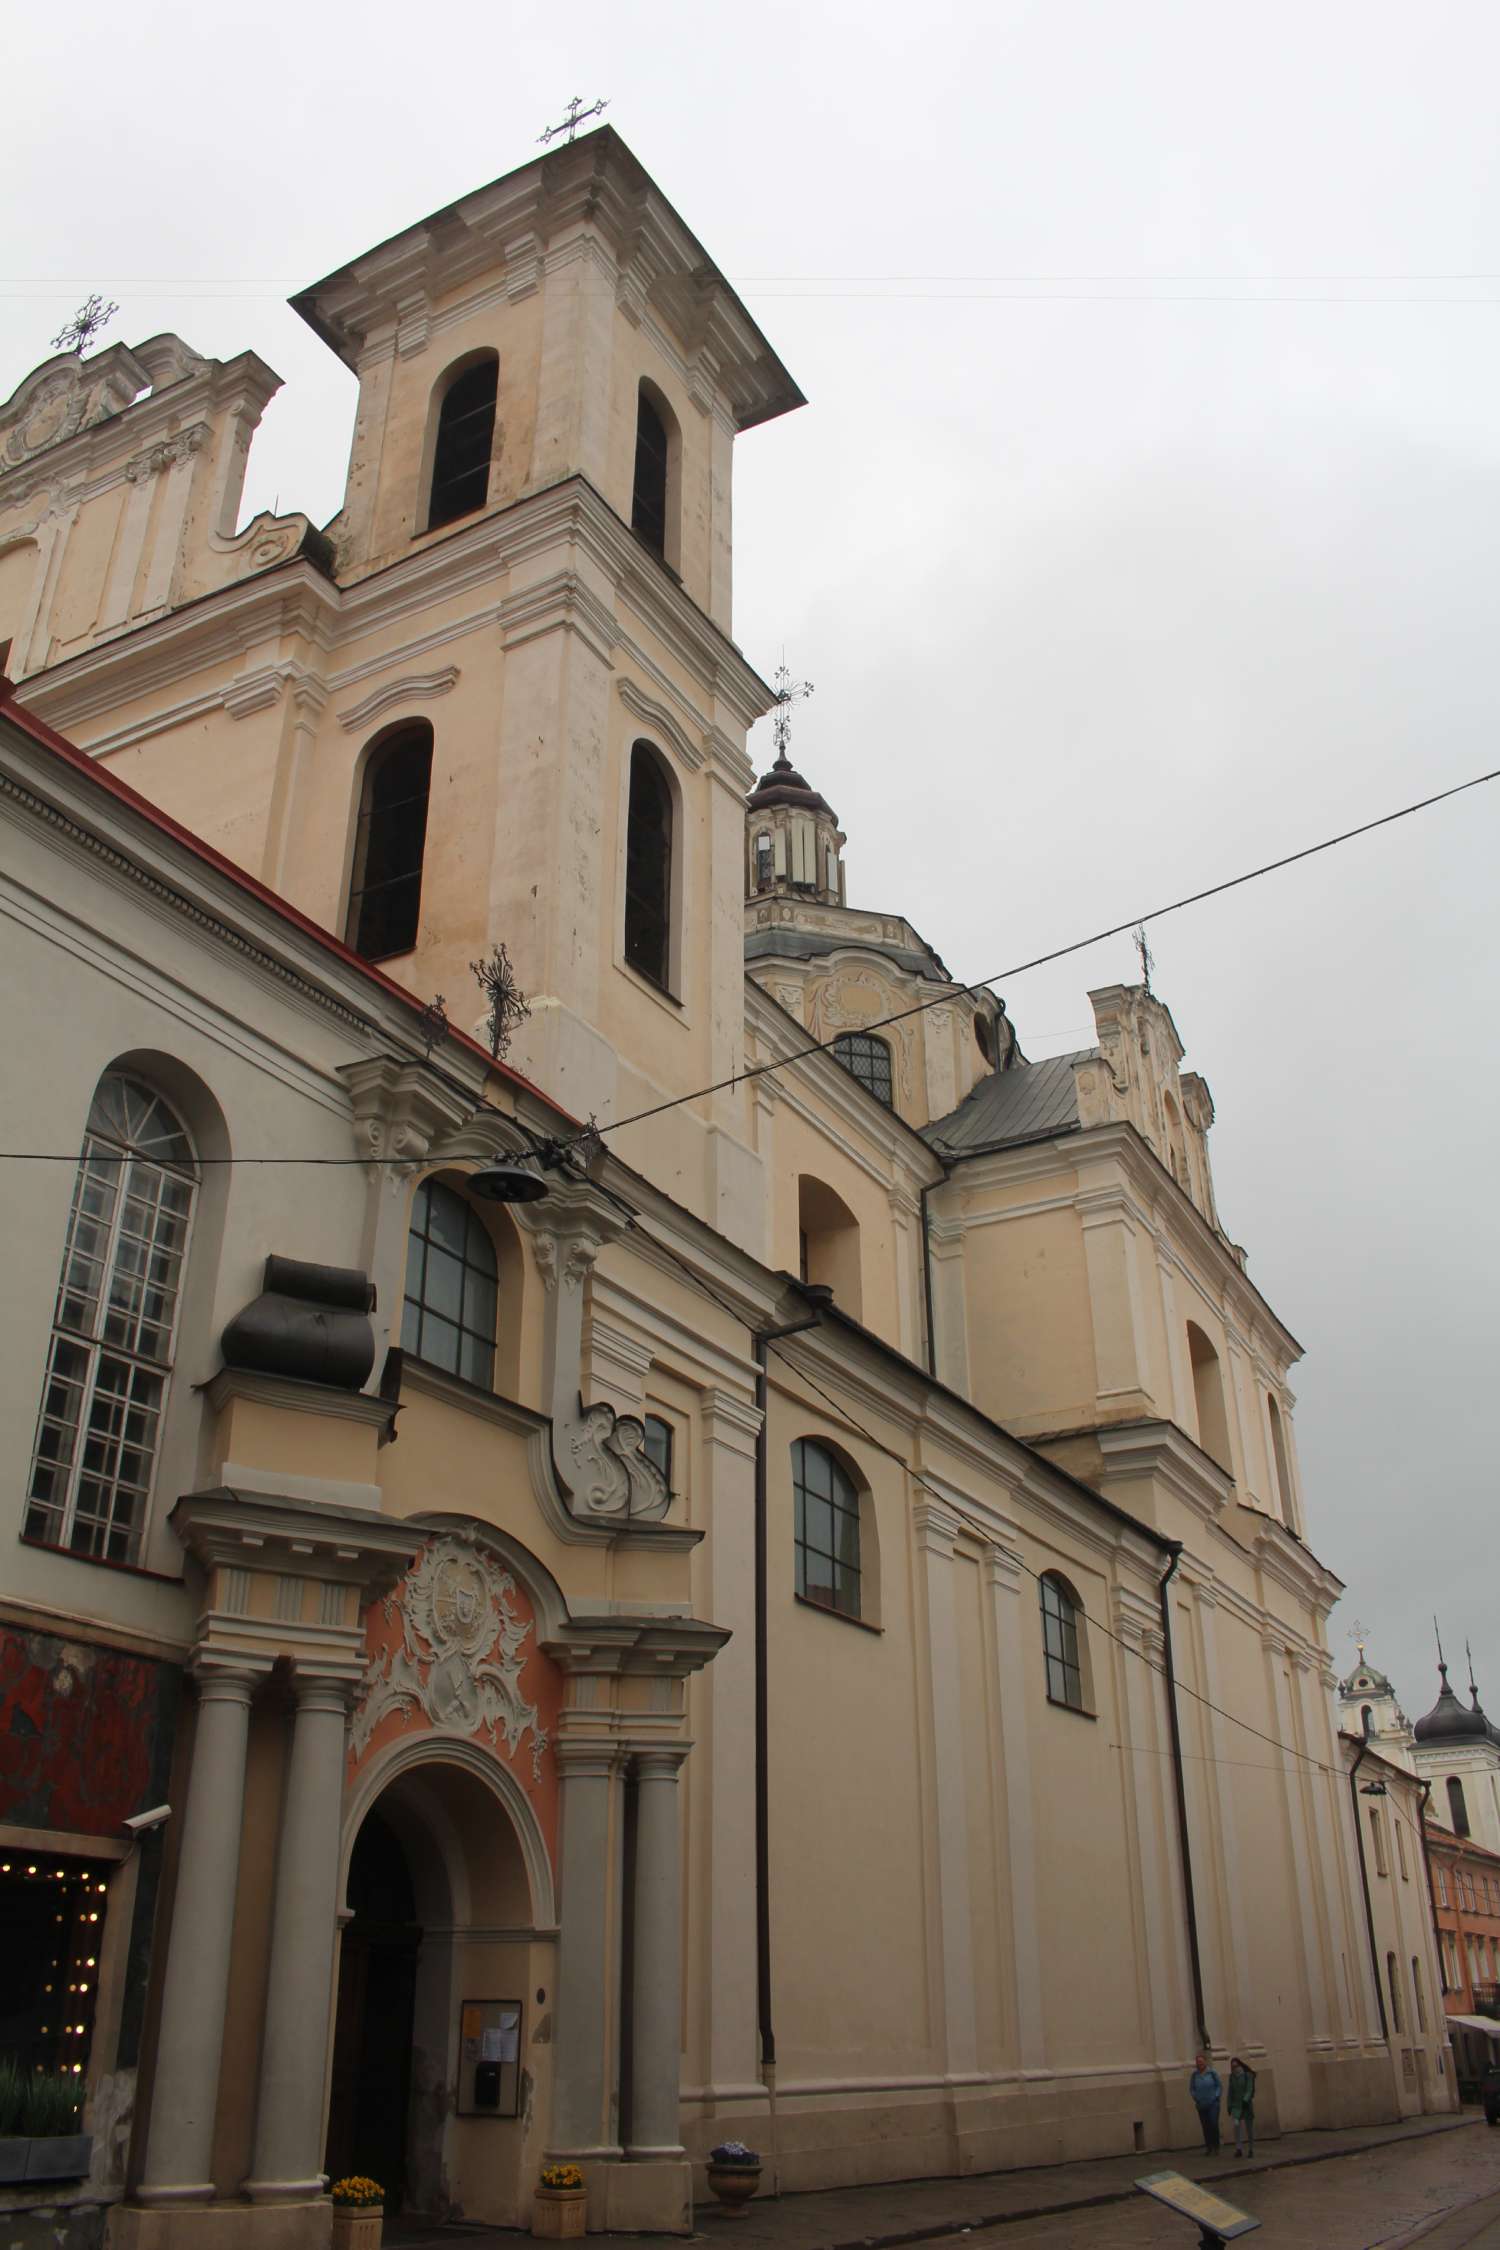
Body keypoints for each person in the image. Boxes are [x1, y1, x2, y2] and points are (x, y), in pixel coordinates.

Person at [1189, 2053, 1222, 2154]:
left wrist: (1216, 2096)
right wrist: (1195, 2097)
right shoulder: (1195, 2075)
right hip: (1201, 2104)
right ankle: (1209, 2146)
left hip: (1213, 2104)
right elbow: (1192, 2088)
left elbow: (1219, 2086)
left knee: (1213, 2123)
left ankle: (1216, 2145)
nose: (1200, 2064)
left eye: (1201, 2062)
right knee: (1205, 2126)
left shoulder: (1212, 2073)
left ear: (1205, 2062)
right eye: (1198, 2062)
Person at [1227, 2056, 1256, 2157]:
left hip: (1246, 2105)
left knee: (1249, 2128)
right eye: (1233, 2066)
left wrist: (1246, 2099)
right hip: (1236, 2105)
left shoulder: (1248, 2075)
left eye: (1236, 2066)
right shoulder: (1232, 2077)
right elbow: (1230, 2092)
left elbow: (1249, 2088)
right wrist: (1229, 2105)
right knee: (1236, 2126)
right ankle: (1238, 2148)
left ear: (1240, 2065)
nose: (1235, 2068)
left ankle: (1251, 2149)